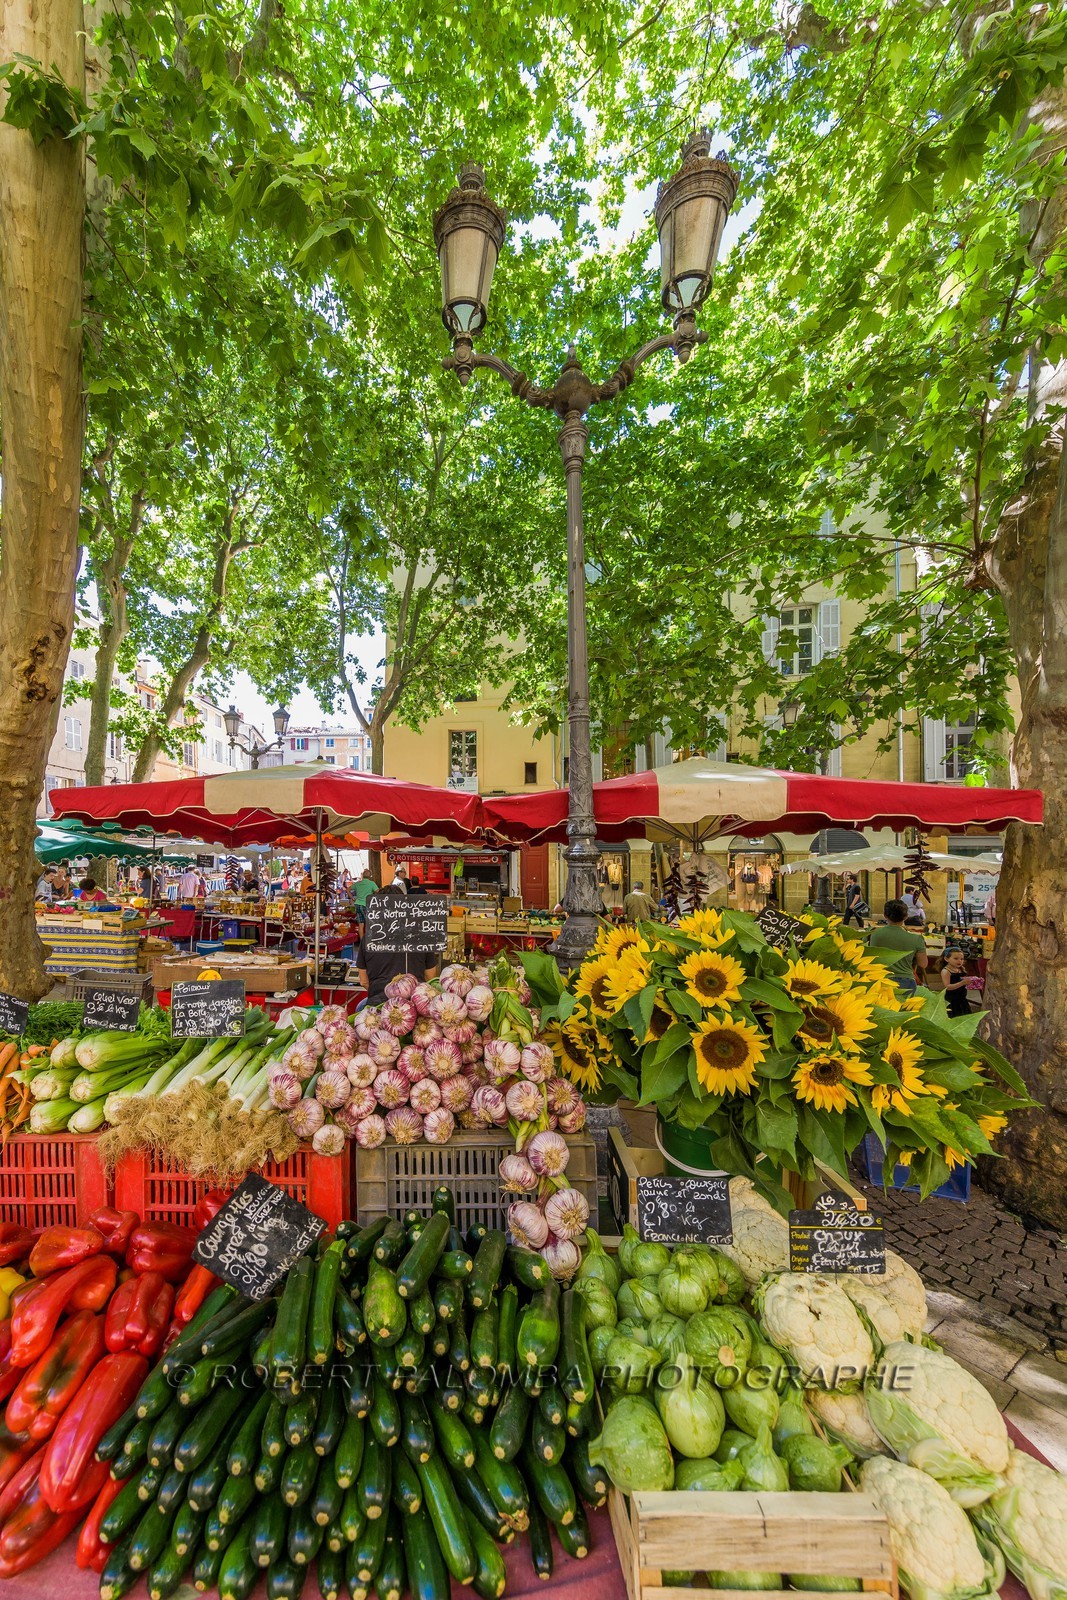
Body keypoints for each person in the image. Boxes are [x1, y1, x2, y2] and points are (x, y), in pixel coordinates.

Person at [356, 884, 439, 1005]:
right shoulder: (421, 934)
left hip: (378, 1003)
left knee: (360, 1007)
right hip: (415, 1005)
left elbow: (363, 981)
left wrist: (385, 995)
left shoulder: (368, 938)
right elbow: (430, 977)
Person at [867, 898, 928, 993]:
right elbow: (923, 964)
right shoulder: (917, 939)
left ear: (885, 915)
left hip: (879, 979)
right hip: (906, 981)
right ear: (906, 916)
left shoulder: (873, 934)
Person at [940, 947, 974, 1017]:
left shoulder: (960, 969)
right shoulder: (946, 971)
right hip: (952, 999)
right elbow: (948, 987)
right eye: (956, 958)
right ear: (946, 959)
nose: (959, 961)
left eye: (962, 959)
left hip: (962, 998)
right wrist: (962, 983)